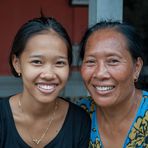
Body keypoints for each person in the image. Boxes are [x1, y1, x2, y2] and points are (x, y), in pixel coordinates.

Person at [0, 16, 91, 148]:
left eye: (59, 63)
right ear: (17, 64)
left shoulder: (79, 122)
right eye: (37, 62)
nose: (48, 74)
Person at [77, 21, 148, 147]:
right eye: (91, 61)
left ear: (136, 67)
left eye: (113, 61)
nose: (100, 74)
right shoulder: (77, 117)